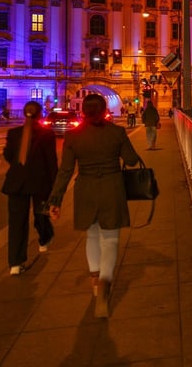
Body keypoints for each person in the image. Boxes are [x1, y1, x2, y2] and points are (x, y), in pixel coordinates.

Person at [47, 93, 141, 318]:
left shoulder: (73, 136)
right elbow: (131, 160)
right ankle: (106, 281)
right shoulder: (116, 132)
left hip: (86, 188)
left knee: (92, 236)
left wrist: (55, 199)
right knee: (111, 239)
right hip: (112, 187)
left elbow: (66, 171)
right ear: (104, 110)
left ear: (83, 112)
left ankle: (95, 281)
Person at [1, 101, 57, 275]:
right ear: (40, 115)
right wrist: (55, 187)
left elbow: (9, 156)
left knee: (17, 223)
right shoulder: (47, 134)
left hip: (16, 183)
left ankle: (15, 263)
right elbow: (51, 162)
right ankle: (44, 238)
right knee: (41, 214)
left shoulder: (13, 133)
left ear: (24, 114)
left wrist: (20, 168)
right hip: (40, 182)